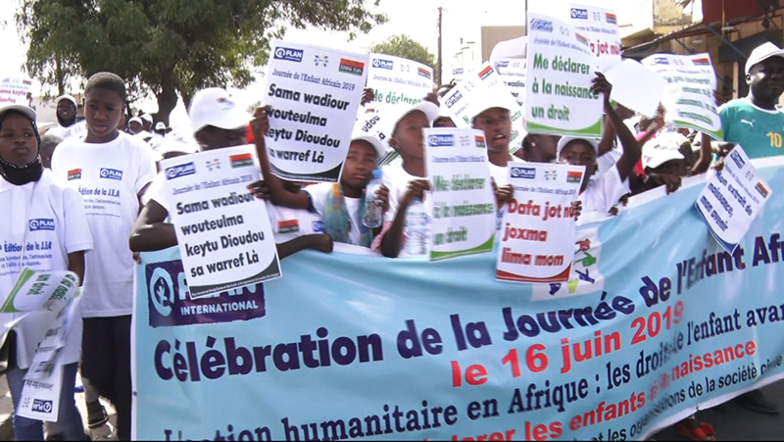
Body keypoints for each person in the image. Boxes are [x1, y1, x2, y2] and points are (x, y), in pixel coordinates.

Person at [50, 72, 158, 441]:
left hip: (128, 287)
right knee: (94, 370)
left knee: (130, 382)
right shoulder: (65, 153)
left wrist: (144, 234)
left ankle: (130, 433)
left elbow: (151, 201)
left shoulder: (137, 151)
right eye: (93, 106)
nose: (99, 115)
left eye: (109, 108)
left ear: (122, 111)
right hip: (85, 291)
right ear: (83, 104)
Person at [129, 88, 333, 258]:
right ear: (202, 137)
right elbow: (140, 235)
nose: (241, 144)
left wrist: (271, 193)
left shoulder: (256, 168)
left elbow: (264, 245)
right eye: (231, 137)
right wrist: (214, 232)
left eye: (242, 135)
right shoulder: (178, 176)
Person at [0, 103, 92, 440]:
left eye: (27, 134)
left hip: (55, 327)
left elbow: (77, 263)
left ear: (38, 140)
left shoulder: (63, 193)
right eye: (8, 135)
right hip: (11, 332)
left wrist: (61, 310)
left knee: (62, 415)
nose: (19, 141)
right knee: (25, 419)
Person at [709, 40, 784, 415]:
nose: (774, 76)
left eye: (780, 70)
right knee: (729, 305)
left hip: (774, 236)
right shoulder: (731, 112)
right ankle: (721, 376)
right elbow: (704, 154)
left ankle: (749, 379)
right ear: (749, 73)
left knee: (762, 305)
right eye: (766, 69)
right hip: (735, 230)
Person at [248, 106, 389, 248]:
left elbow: (381, 246)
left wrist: (382, 213)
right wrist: (261, 142)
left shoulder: (375, 198)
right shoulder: (325, 193)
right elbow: (281, 197)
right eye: (351, 157)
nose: (360, 165)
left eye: (369, 159)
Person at [556, 73, 641, 215]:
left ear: (594, 167)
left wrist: (607, 107)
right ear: (558, 163)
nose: (578, 162)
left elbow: (632, 153)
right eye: (570, 157)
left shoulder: (601, 192)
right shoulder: (545, 198)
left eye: (586, 158)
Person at [371, 102, 439, 258]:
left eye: (426, 127)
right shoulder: (386, 178)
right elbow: (389, 250)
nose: (422, 133)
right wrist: (404, 205)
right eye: (412, 128)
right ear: (394, 142)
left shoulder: (451, 173)